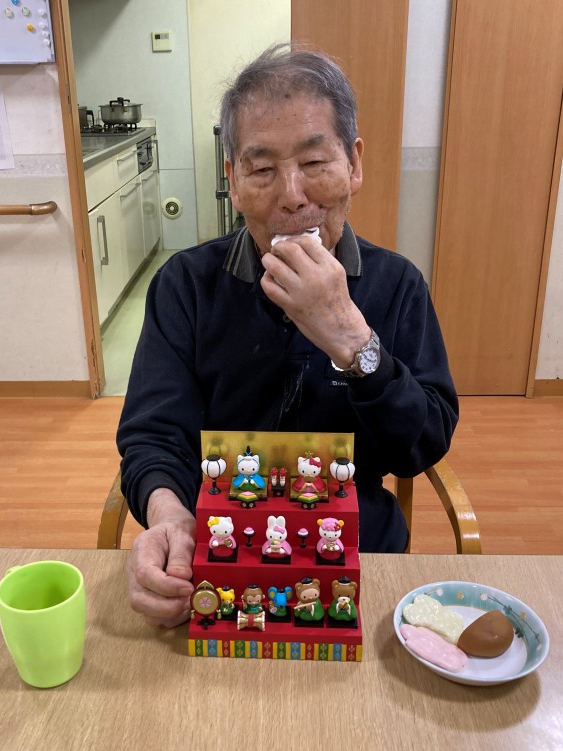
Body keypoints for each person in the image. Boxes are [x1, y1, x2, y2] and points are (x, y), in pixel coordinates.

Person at [117, 43, 458, 628]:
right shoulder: (186, 285)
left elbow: (422, 445)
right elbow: (153, 433)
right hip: (217, 556)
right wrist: (170, 515)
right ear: (233, 180)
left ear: (353, 165)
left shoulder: (397, 284)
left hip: (360, 557)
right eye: (262, 169)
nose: (293, 195)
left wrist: (351, 338)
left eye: (315, 161)